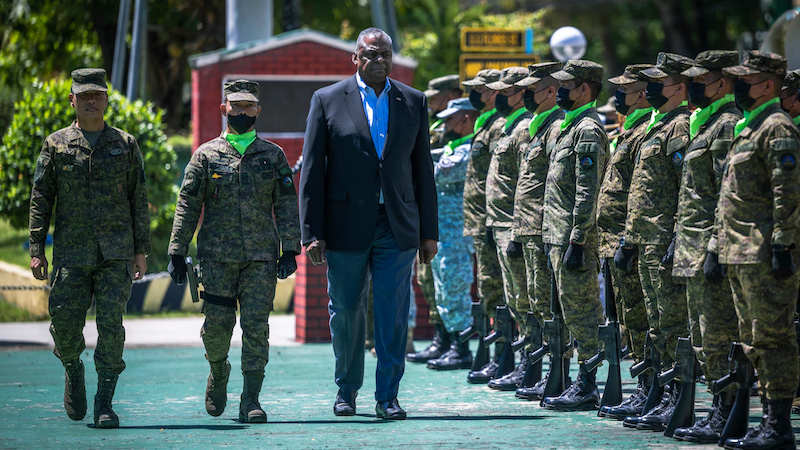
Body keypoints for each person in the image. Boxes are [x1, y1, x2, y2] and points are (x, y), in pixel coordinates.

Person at [298, 27, 438, 421]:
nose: (380, 60)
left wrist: (429, 231)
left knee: (393, 311)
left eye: (386, 54)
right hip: (344, 225)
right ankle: (347, 390)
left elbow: (422, 170)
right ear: (355, 59)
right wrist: (312, 232)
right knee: (345, 311)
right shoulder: (326, 100)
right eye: (372, 54)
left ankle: (388, 396)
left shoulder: (413, 100)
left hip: (396, 225)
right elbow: (311, 171)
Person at [168, 79, 301, 423]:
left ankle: (251, 399)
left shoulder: (272, 156)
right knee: (216, 329)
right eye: (236, 105)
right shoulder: (206, 155)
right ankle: (218, 370)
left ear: (258, 110)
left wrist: (290, 249)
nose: (242, 112)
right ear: (223, 108)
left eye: (248, 106)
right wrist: (176, 251)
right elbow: (187, 204)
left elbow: (286, 204)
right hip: (216, 259)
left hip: (260, 259)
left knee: (256, 329)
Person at [29, 68, 150, 428]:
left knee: (111, 327)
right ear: (73, 100)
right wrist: (37, 246)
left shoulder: (125, 144)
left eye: (97, 95)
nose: (92, 101)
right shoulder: (56, 145)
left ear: (106, 100)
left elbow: (138, 199)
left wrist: (140, 249)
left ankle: (105, 402)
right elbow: (41, 197)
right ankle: (72, 369)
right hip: (72, 253)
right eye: (85, 96)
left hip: (116, 253)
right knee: (64, 327)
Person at [713, 51, 800, 450]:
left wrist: (783, 245)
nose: (737, 87)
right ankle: (766, 420)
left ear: (767, 84)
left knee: (772, 339)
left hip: (765, 253)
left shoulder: (777, 128)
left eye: (745, 80)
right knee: (751, 340)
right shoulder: (750, 127)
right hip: (739, 252)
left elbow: (788, 194)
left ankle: (779, 426)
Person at [615, 52, 694, 431]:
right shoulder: (655, 125)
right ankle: (661, 393)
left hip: (663, 241)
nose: (650, 89)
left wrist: (677, 236)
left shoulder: (679, 127)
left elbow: (686, 188)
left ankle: (679, 396)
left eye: (658, 82)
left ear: (679, 87)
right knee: (656, 324)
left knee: (673, 323)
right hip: (644, 240)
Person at [667, 50, 742, 443]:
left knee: (716, 334)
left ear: (723, 81)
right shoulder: (707, 124)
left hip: (709, 248)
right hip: (691, 247)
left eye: (702, 78)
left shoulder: (726, 125)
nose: (693, 85)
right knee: (700, 333)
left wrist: (714, 246)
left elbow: (725, 196)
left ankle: (728, 408)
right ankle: (720, 406)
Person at [540, 60, 608, 412]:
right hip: (557, 235)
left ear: (584, 89)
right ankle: (579, 379)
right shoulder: (568, 127)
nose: (560, 90)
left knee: (582, 312)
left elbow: (587, 190)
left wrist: (578, 238)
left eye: (568, 85)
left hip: (573, 238)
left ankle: (589, 383)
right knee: (569, 310)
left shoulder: (587, 130)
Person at [596, 64, 654, 420]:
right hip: (616, 241)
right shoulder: (630, 130)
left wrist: (628, 240)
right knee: (631, 320)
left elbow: (642, 194)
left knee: (647, 321)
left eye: (625, 90)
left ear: (643, 93)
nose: (618, 96)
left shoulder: (647, 130)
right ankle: (647, 389)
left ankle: (657, 390)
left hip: (634, 241)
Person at [508, 62, 566, 401]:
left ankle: (556, 373)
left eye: (531, 89)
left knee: (549, 306)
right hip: (529, 230)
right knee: (536, 303)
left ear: (549, 91)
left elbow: (556, 186)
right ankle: (545, 371)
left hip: (545, 231)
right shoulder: (537, 127)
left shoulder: (556, 128)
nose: (524, 94)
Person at [483, 66, 535, 391]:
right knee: (516, 300)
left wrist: (515, 228)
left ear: (521, 93)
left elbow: (525, 186)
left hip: (514, 228)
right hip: (500, 225)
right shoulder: (509, 128)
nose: (498, 97)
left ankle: (533, 363)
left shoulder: (524, 128)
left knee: (527, 300)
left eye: (505, 92)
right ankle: (525, 362)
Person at [459, 69, 508, 384]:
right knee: (489, 289)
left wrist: (492, 220)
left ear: (493, 92)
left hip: (493, 221)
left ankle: (504, 355)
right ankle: (497, 354)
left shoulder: (499, 125)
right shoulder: (484, 124)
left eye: (479, 89)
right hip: (480, 221)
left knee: (497, 290)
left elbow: (500, 179)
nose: (474, 94)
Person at [425, 98, 479, 371]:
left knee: (456, 288)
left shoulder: (468, 149)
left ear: (465, 119)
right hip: (442, 232)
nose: (444, 124)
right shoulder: (452, 147)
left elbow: (438, 171)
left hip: (457, 232)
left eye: (450, 119)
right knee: (443, 288)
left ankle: (462, 348)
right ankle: (450, 343)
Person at [426, 74, 464, 148]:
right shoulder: (441, 122)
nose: (430, 103)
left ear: (449, 98)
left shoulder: (458, 123)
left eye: (433, 99)